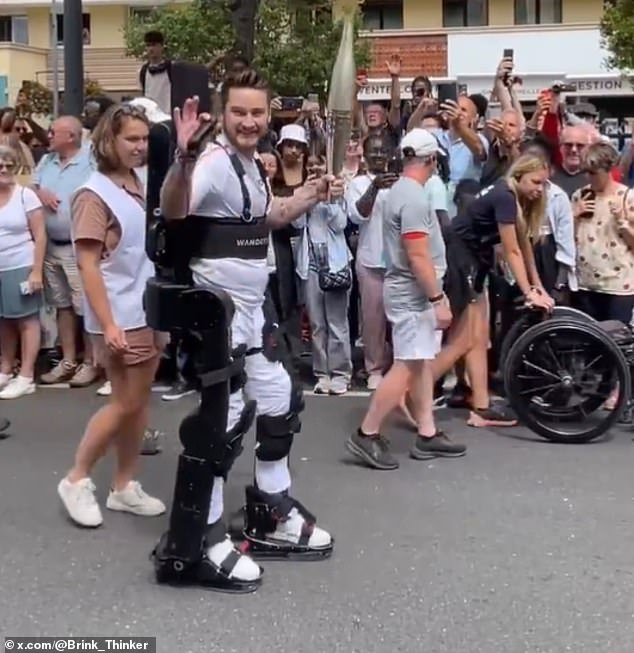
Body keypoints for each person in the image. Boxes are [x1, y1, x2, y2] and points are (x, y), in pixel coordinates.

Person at [159, 69, 338, 591]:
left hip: (252, 314)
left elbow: (267, 218)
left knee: (280, 397)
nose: (249, 121)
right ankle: (200, 539)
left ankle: (269, 511)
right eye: (239, 112)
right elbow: (175, 210)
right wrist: (184, 156)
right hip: (217, 319)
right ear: (225, 112)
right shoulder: (211, 163)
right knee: (225, 419)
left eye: (257, 112)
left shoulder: (251, 167)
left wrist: (311, 192)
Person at [57, 104, 166, 528]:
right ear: (109, 141)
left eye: (144, 139)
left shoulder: (139, 183)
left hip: (147, 310)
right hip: (119, 312)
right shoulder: (93, 193)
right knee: (125, 403)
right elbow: (88, 265)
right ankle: (76, 478)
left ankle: (124, 486)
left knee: (138, 405)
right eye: (132, 139)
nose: (140, 147)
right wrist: (108, 324)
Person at [347, 130, 465, 469]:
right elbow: (417, 254)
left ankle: (427, 432)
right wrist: (437, 298)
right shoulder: (412, 197)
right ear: (431, 160)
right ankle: (366, 432)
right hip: (414, 295)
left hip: (408, 291)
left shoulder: (400, 190)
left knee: (420, 361)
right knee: (408, 365)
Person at [438, 153, 555, 427]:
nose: (540, 189)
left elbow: (525, 248)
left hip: (475, 260)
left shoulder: (518, 199)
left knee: (479, 338)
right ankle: (408, 394)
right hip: (460, 258)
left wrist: (539, 288)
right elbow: (511, 251)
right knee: (463, 339)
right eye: (536, 182)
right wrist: (528, 293)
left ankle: (481, 407)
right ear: (518, 177)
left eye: (544, 184)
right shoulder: (505, 196)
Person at [0, 144, 45, 400]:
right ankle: (5, 370)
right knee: (3, 320)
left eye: (8, 165)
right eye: (0, 166)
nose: (4, 170)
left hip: (22, 264)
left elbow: (40, 235)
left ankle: (26, 375)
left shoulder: (25, 195)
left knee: (27, 320)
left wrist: (36, 272)